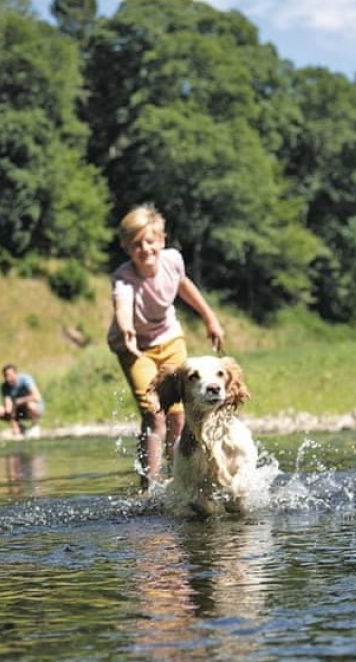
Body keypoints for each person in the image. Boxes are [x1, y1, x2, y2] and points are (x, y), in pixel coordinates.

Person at [107, 204, 225, 490]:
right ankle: (149, 486)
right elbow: (122, 306)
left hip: (170, 338)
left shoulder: (172, 260)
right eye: (136, 244)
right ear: (126, 247)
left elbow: (184, 285)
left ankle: (179, 477)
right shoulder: (124, 277)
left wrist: (209, 318)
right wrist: (126, 328)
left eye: (150, 241)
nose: (145, 249)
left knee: (179, 412)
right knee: (154, 411)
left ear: (161, 240)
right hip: (134, 347)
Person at [0, 364, 44, 437]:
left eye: (10, 375)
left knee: (30, 405)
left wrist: (19, 401)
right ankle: (20, 428)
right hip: (17, 410)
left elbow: (37, 396)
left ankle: (35, 426)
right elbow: (8, 409)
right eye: (6, 376)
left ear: (16, 374)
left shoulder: (25, 379)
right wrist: (14, 426)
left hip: (33, 408)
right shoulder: (5, 386)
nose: (8, 378)